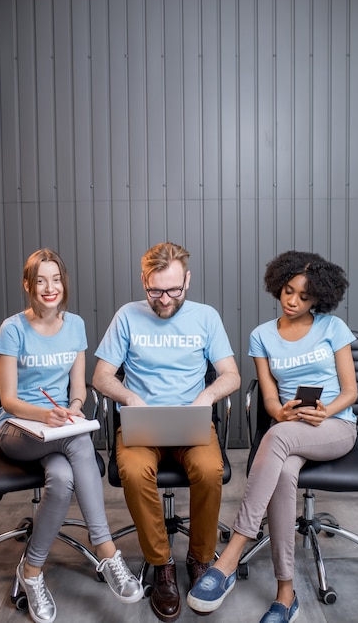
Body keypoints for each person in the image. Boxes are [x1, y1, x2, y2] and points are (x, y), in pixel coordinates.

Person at [187, 250, 358, 623]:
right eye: (288, 291)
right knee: (282, 470)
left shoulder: (332, 328)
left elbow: (350, 392)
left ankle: (231, 554)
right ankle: (286, 594)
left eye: (305, 296)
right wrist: (280, 411)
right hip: (290, 426)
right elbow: (268, 397)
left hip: (334, 426)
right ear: (278, 286)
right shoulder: (261, 335)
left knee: (277, 438)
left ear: (319, 299)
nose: (293, 301)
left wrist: (325, 411)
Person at [92, 241, 241, 622]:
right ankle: (162, 566)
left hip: (191, 421)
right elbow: (101, 376)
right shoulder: (127, 316)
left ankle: (200, 558)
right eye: (155, 290)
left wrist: (206, 396)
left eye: (174, 290)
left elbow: (232, 375)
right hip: (142, 423)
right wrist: (130, 397)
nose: (165, 299)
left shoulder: (206, 317)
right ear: (143, 280)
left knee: (209, 471)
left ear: (187, 280)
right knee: (133, 471)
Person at [0, 248, 143, 623]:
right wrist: (45, 414)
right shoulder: (13, 329)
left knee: (61, 480)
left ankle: (30, 572)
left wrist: (73, 407)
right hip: (18, 428)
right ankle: (107, 551)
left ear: (64, 284)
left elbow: (78, 389)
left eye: (56, 279)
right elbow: (9, 400)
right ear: (28, 284)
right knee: (79, 441)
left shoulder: (75, 324)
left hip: (57, 425)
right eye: (41, 280)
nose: (49, 287)